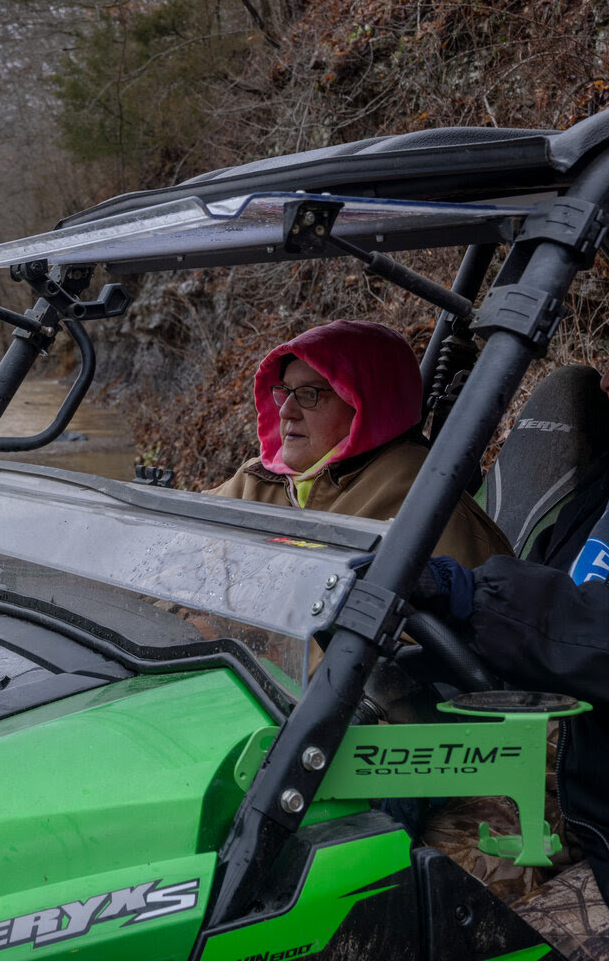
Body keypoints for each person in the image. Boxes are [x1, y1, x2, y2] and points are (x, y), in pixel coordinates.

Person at [414, 365, 609, 957]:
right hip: (576, 764)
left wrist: (478, 597)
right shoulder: (601, 484)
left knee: (479, 942)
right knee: (397, 875)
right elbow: (555, 588)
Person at [208, 319, 513, 567]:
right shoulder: (254, 481)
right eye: (284, 392)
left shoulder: (420, 502)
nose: (286, 411)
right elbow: (173, 552)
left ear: (366, 405)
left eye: (308, 394)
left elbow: (435, 635)